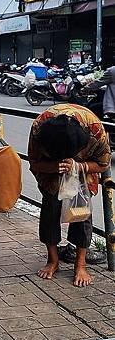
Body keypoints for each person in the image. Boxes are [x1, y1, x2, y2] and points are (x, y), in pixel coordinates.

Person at [28, 104, 110, 287]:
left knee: (82, 214)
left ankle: (80, 264)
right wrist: (53, 167)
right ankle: (53, 260)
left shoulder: (95, 130)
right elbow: (34, 163)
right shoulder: (39, 128)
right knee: (50, 211)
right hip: (51, 173)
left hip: (83, 171)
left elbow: (103, 164)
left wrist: (80, 166)